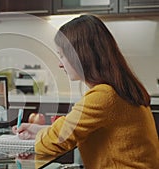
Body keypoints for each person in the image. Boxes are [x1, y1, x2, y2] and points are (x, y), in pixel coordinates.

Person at [12, 15, 159, 168]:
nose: (60, 64)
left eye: (62, 55)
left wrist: (35, 140)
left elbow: (60, 139)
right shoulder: (120, 89)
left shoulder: (104, 96)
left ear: (81, 55)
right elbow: (70, 128)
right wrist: (37, 131)